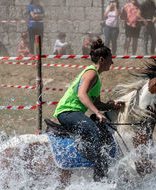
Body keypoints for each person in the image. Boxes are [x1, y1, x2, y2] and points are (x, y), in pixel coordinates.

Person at [53, 38, 124, 182]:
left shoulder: (97, 78)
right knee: (94, 130)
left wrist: (111, 105)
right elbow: (81, 94)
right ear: (103, 59)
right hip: (67, 112)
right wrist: (97, 113)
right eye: (111, 59)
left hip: (75, 112)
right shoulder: (91, 72)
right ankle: (99, 175)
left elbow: (96, 103)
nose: (112, 62)